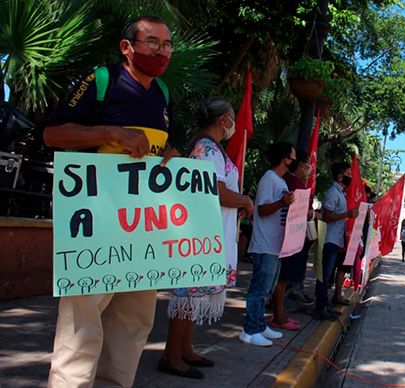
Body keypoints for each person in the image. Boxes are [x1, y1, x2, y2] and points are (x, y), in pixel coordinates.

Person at [44, 16, 177, 387]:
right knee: (81, 326)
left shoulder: (163, 94)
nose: (160, 51)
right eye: (151, 42)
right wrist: (111, 132)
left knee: (133, 323)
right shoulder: (103, 80)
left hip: (142, 229)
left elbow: (160, 147)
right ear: (127, 47)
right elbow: (53, 134)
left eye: (167, 44)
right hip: (97, 225)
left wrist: (170, 153)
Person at [160, 98, 254, 378]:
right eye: (232, 117)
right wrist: (245, 201)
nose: (234, 124)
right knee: (187, 294)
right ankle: (171, 354)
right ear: (223, 119)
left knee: (196, 294)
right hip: (199, 232)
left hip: (213, 231)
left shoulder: (213, 149)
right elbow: (217, 191)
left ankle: (185, 348)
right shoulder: (204, 149)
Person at [240, 141, 295, 347]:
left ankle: (260, 324)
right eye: (292, 156)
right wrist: (283, 202)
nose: (294, 160)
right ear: (284, 158)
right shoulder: (269, 179)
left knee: (267, 288)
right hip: (264, 244)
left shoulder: (280, 181)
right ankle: (250, 329)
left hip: (275, 244)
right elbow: (261, 209)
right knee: (259, 288)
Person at [270, 150, 316, 330]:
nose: (309, 169)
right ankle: (278, 314)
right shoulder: (289, 181)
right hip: (287, 236)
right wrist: (311, 213)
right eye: (306, 165)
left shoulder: (296, 182)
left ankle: (279, 313)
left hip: (293, 235)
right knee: (282, 277)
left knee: (285, 276)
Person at [315, 162, 358, 321]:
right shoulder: (333, 192)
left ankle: (325, 306)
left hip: (336, 239)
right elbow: (326, 216)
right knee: (324, 276)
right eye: (348, 173)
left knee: (328, 275)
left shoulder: (342, 193)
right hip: (329, 239)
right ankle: (321, 307)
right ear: (340, 176)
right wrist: (347, 214)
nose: (350, 176)